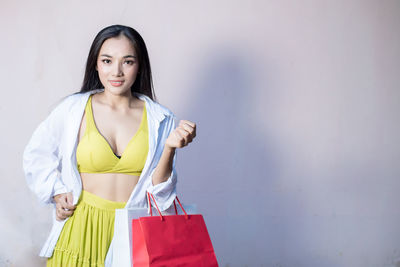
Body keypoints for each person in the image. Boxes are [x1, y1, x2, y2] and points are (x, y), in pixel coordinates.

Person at [22, 24, 196, 266]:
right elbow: (36, 154)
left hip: (134, 230)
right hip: (80, 227)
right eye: (107, 61)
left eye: (127, 61)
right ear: (95, 63)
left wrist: (169, 148)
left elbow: (163, 197)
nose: (116, 71)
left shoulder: (160, 118)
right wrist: (57, 192)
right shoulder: (73, 109)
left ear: (139, 65)